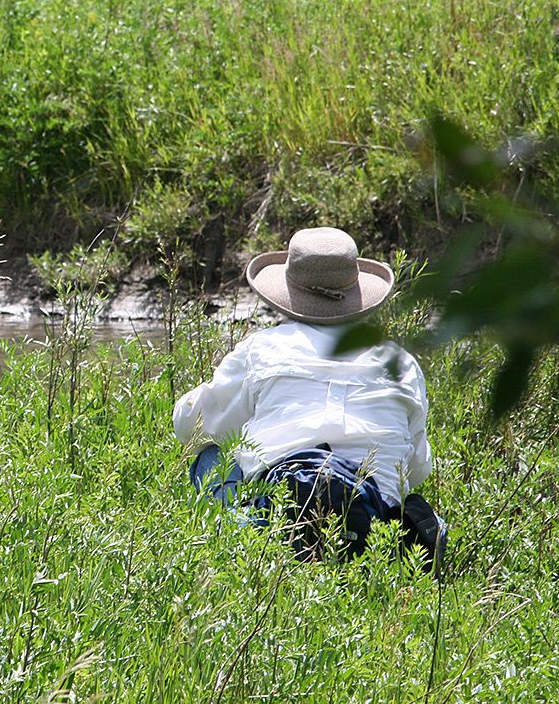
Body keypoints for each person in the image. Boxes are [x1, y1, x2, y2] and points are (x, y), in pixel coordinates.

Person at [173, 227, 445, 566]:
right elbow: (416, 469)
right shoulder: (400, 362)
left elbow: (192, 427)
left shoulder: (262, 348)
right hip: (370, 530)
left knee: (211, 456)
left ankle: (235, 552)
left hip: (277, 521)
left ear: (287, 292)